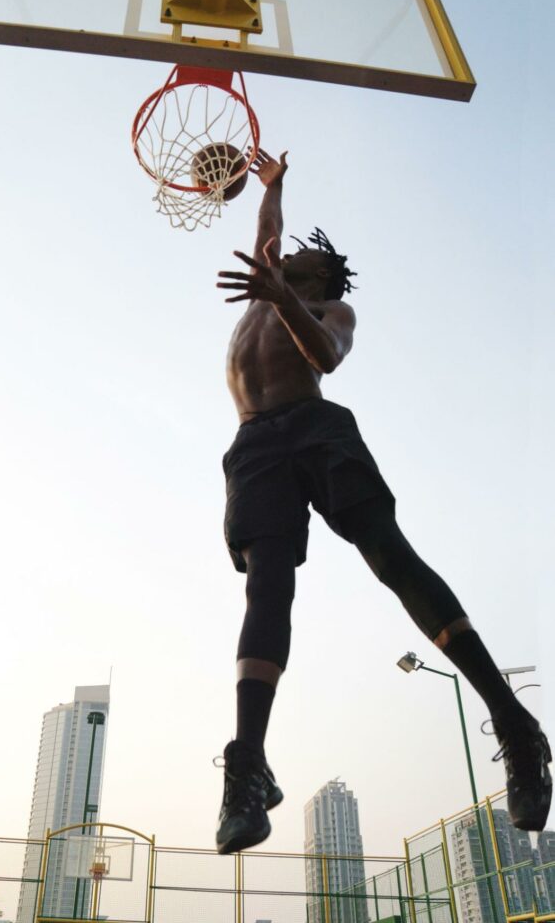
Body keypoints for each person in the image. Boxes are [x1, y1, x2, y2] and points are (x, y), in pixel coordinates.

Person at [214, 148, 552, 855]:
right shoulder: (267, 287)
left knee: (390, 559)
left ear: (321, 274)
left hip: (315, 427)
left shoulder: (329, 306)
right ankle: (247, 768)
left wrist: (282, 297)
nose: (285, 254)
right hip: (254, 445)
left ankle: (513, 723)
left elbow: (326, 359)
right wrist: (275, 187)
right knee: (266, 590)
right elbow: (269, 232)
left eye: (299, 259)